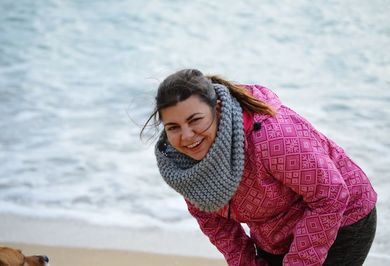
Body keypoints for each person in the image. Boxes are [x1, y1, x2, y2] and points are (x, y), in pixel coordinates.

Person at [141, 69, 377, 266]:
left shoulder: (271, 138)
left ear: (219, 109)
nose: (187, 136)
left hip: (344, 216)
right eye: (173, 127)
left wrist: (299, 262)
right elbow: (218, 227)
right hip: (274, 234)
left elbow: (331, 195)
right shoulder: (183, 167)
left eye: (195, 120)